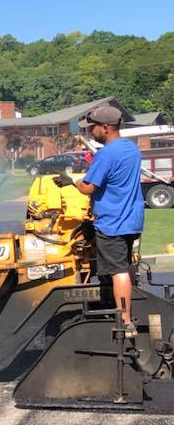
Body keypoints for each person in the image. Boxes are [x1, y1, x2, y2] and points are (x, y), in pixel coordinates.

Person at [56, 105, 144, 338]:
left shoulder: (106, 153)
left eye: (93, 127)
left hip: (112, 221)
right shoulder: (132, 149)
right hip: (131, 220)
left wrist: (71, 181)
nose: (90, 131)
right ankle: (122, 303)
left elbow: (88, 187)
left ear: (106, 128)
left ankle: (125, 321)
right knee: (124, 265)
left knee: (118, 271)